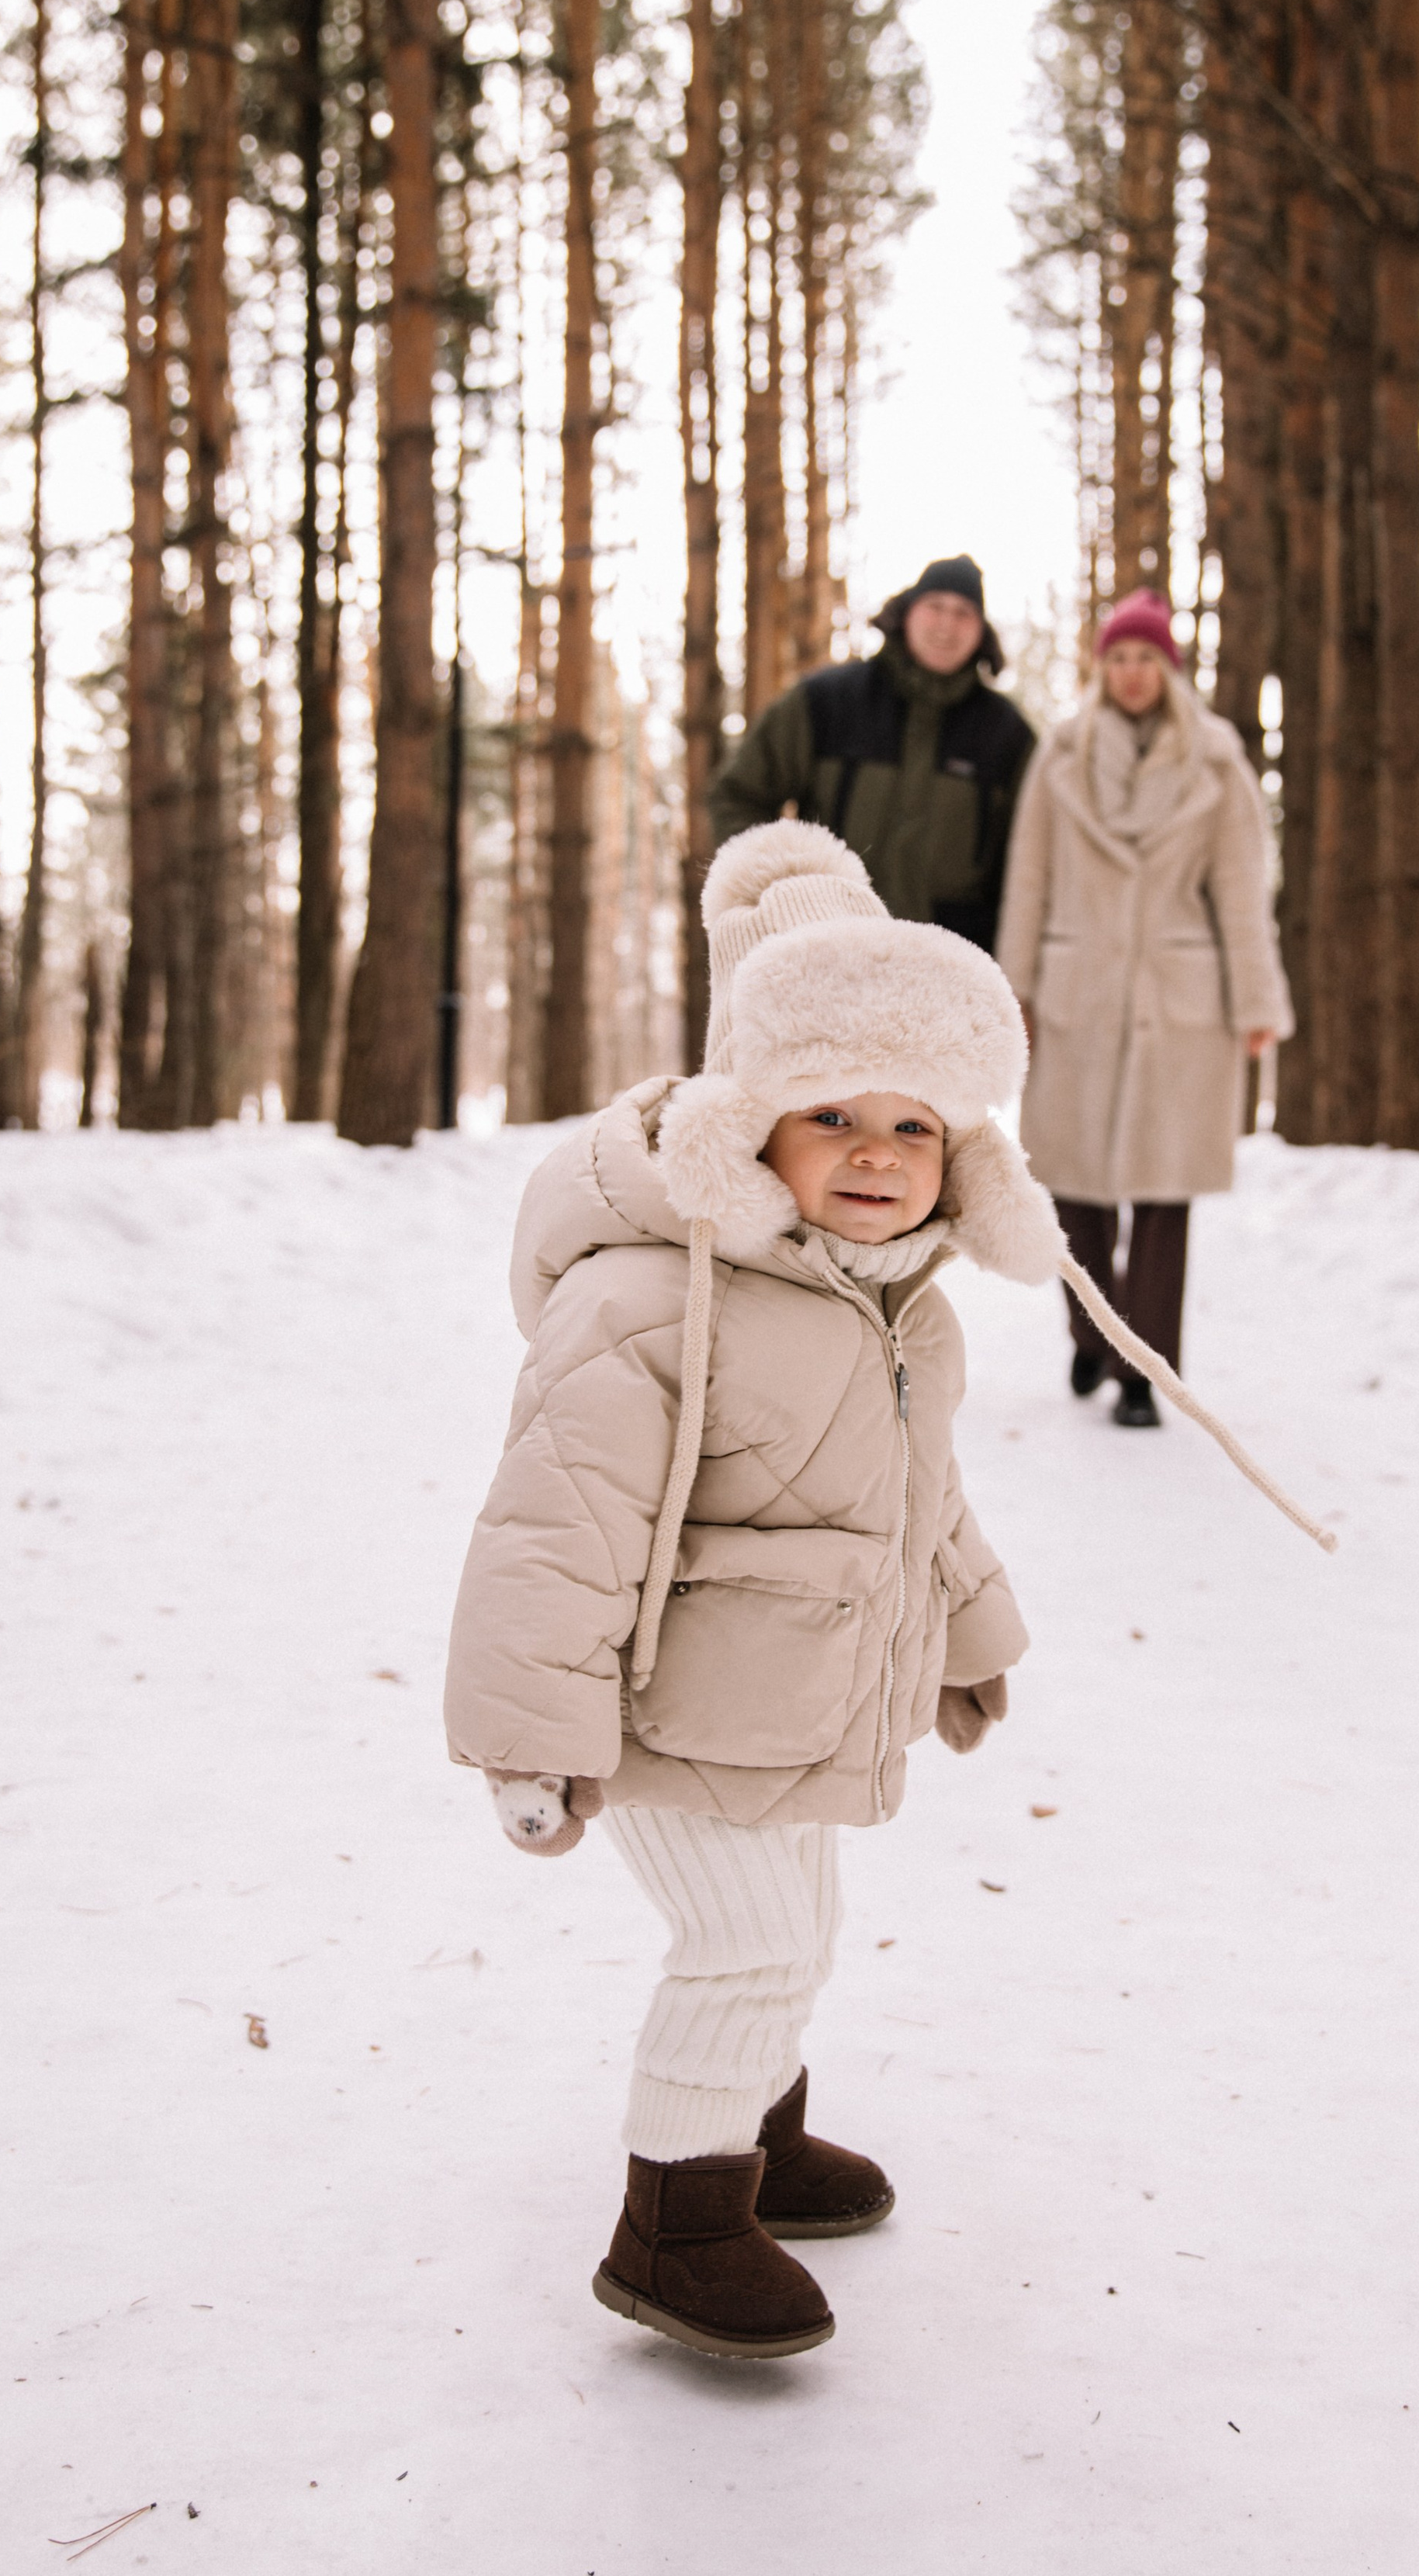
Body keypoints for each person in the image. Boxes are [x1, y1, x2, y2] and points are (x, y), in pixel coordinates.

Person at [444, 822, 1047, 2363]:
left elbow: (927, 1496)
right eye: (828, 1111)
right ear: (747, 1123)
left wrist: (967, 1632)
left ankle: (755, 2130)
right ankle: (676, 2223)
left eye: (911, 1127)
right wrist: (532, 1737)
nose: (871, 1153)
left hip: (798, 1701)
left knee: (801, 1927)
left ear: (961, 1156)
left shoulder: (903, 1307)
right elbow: (555, 1523)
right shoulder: (651, 1295)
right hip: (668, 1706)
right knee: (748, 1945)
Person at [995, 590, 1292, 1430]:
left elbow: (1240, 894)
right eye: (1118, 659)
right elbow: (1029, 882)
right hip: (1076, 991)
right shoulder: (1059, 760)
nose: (1131, 675)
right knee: (1073, 1181)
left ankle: (1143, 1369)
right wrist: (1013, 993)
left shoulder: (1216, 763)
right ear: (1101, 667)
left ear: (1168, 670)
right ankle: (1092, 1333)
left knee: (1165, 1194)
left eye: (1146, 661)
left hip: (1180, 999)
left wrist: (1255, 1001)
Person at [708, 552, 1036, 950]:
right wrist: (783, 895)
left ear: (981, 631)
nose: (947, 625)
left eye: (964, 612)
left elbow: (1032, 864)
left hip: (951, 968)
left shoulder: (1008, 735)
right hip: (826, 951)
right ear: (907, 612)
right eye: (935, 607)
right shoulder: (827, 702)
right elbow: (738, 795)